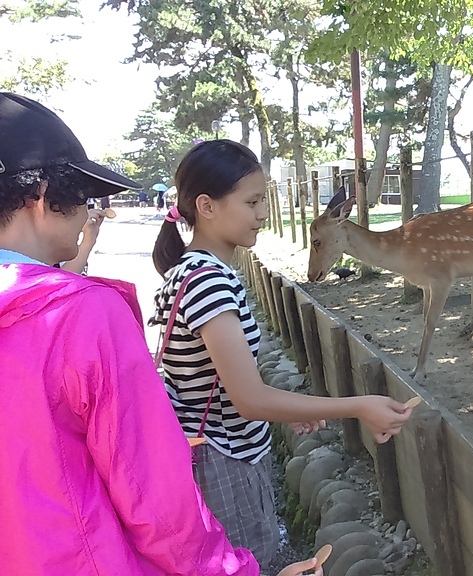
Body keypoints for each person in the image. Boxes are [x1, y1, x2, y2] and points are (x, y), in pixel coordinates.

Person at [0, 92, 322, 576]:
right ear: (43, 197)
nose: (89, 215)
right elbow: (152, 495)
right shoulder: (80, 314)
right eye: (83, 200)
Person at [151, 139, 413, 564]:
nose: (262, 214)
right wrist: (361, 405)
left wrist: (293, 409)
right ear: (207, 205)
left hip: (215, 452)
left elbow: (224, 384)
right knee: (245, 563)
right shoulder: (209, 282)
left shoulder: (189, 270)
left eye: (263, 201)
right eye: (252, 201)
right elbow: (249, 398)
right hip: (222, 463)